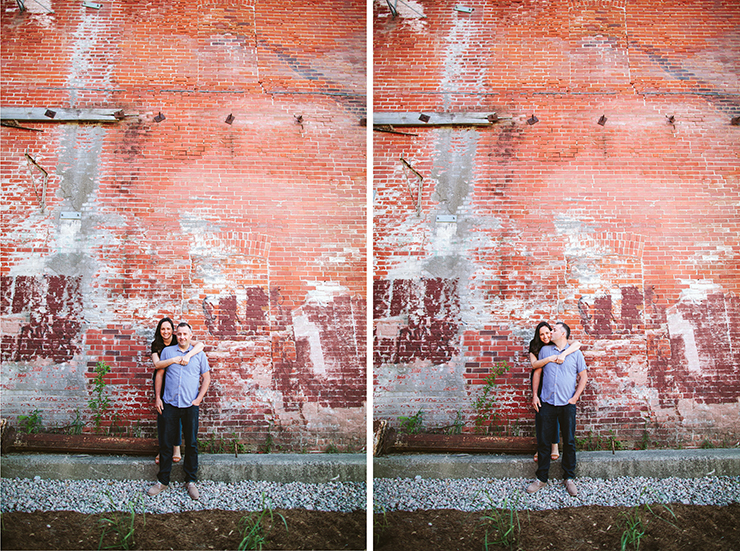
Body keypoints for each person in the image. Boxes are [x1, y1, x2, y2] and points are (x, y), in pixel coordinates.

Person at [148, 322, 211, 500]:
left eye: (185, 334)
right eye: (180, 334)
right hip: (170, 404)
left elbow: (206, 378)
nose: (182, 337)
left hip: (190, 405)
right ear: (176, 336)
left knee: (191, 443)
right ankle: (163, 481)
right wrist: (158, 397)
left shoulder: (199, 354)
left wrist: (198, 399)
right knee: (166, 444)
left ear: (191, 335)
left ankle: (190, 480)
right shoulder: (168, 352)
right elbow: (159, 374)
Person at [527, 321, 587, 497]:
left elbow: (583, 377)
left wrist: (575, 398)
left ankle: (569, 477)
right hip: (546, 403)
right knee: (544, 441)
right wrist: (535, 395)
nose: (551, 332)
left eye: (555, 330)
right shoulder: (545, 351)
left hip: (567, 405)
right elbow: (537, 372)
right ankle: (541, 478)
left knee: (569, 441)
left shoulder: (575, 353)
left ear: (563, 334)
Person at [150, 318, 204, 465]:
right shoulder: (157, 345)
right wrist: (173, 359)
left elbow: (200, 345)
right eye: (162, 329)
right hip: (163, 379)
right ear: (159, 331)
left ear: (172, 331)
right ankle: (163, 450)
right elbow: (157, 364)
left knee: (180, 417)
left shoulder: (178, 338)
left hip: (180, 380)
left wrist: (187, 356)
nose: (165, 332)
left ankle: (177, 449)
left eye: (168, 329)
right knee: (164, 419)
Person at [528, 322, 581, 462]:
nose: (547, 335)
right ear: (538, 336)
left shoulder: (556, 344)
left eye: (549, 332)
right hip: (540, 381)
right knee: (542, 418)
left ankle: (555, 446)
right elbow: (535, 365)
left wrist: (563, 354)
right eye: (542, 334)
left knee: (557, 414)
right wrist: (550, 358)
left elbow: (577, 344)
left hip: (553, 381)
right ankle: (541, 449)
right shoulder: (537, 347)